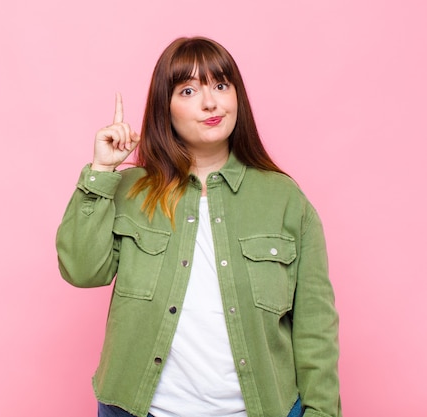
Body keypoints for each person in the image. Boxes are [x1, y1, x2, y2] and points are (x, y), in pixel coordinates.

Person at [56, 36, 341, 417]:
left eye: (221, 85)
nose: (211, 102)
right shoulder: (130, 188)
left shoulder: (285, 199)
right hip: (138, 409)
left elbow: (316, 325)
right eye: (188, 90)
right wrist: (102, 172)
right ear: (165, 107)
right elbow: (81, 270)